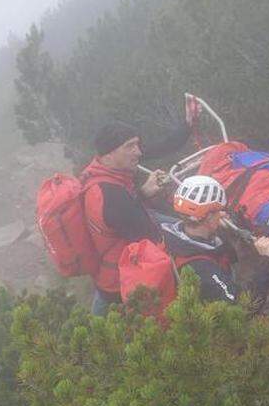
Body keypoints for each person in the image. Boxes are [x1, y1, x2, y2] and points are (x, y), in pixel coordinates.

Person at [82, 121, 173, 316]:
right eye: (129, 146)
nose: (138, 152)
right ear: (109, 153)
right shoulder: (112, 194)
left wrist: (143, 194)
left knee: (100, 332)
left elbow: (118, 218)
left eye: (137, 145)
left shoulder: (96, 177)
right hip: (122, 287)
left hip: (105, 280)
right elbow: (153, 240)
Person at [160, 175, 250, 303]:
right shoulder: (200, 267)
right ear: (208, 217)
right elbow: (240, 304)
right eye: (220, 210)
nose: (223, 214)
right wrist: (264, 261)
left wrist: (226, 233)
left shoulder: (175, 238)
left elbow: (224, 255)